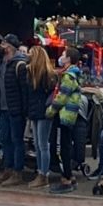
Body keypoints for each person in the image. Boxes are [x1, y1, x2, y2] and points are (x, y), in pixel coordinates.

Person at [0, 34, 29, 187]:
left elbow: (24, 90)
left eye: (5, 44)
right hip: (4, 107)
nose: (2, 47)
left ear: (10, 47)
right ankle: (8, 168)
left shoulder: (19, 64)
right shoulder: (4, 63)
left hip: (15, 109)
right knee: (5, 139)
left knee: (16, 140)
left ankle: (17, 171)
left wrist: (24, 110)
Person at [46, 47, 83, 194]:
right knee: (66, 145)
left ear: (68, 59)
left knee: (62, 148)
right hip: (68, 115)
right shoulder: (73, 74)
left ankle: (66, 178)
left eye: (63, 55)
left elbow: (62, 97)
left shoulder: (68, 76)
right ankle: (69, 176)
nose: (61, 57)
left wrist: (51, 110)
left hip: (63, 115)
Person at [26, 45, 57, 190]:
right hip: (38, 111)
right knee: (39, 144)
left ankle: (43, 174)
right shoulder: (38, 73)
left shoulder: (44, 74)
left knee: (42, 144)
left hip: (42, 112)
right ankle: (41, 172)